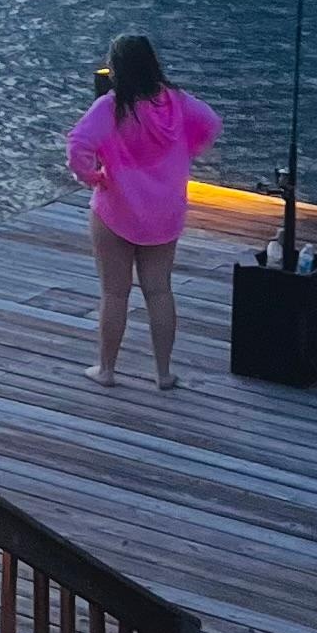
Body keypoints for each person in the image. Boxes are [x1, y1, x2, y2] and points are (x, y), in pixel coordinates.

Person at [65, 35, 220, 392]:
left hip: (116, 209)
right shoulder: (176, 102)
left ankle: (106, 369)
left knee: (114, 293)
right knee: (160, 291)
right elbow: (211, 123)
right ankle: (163, 373)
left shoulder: (111, 107)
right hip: (164, 211)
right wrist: (187, 149)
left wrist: (91, 176)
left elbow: (77, 145)